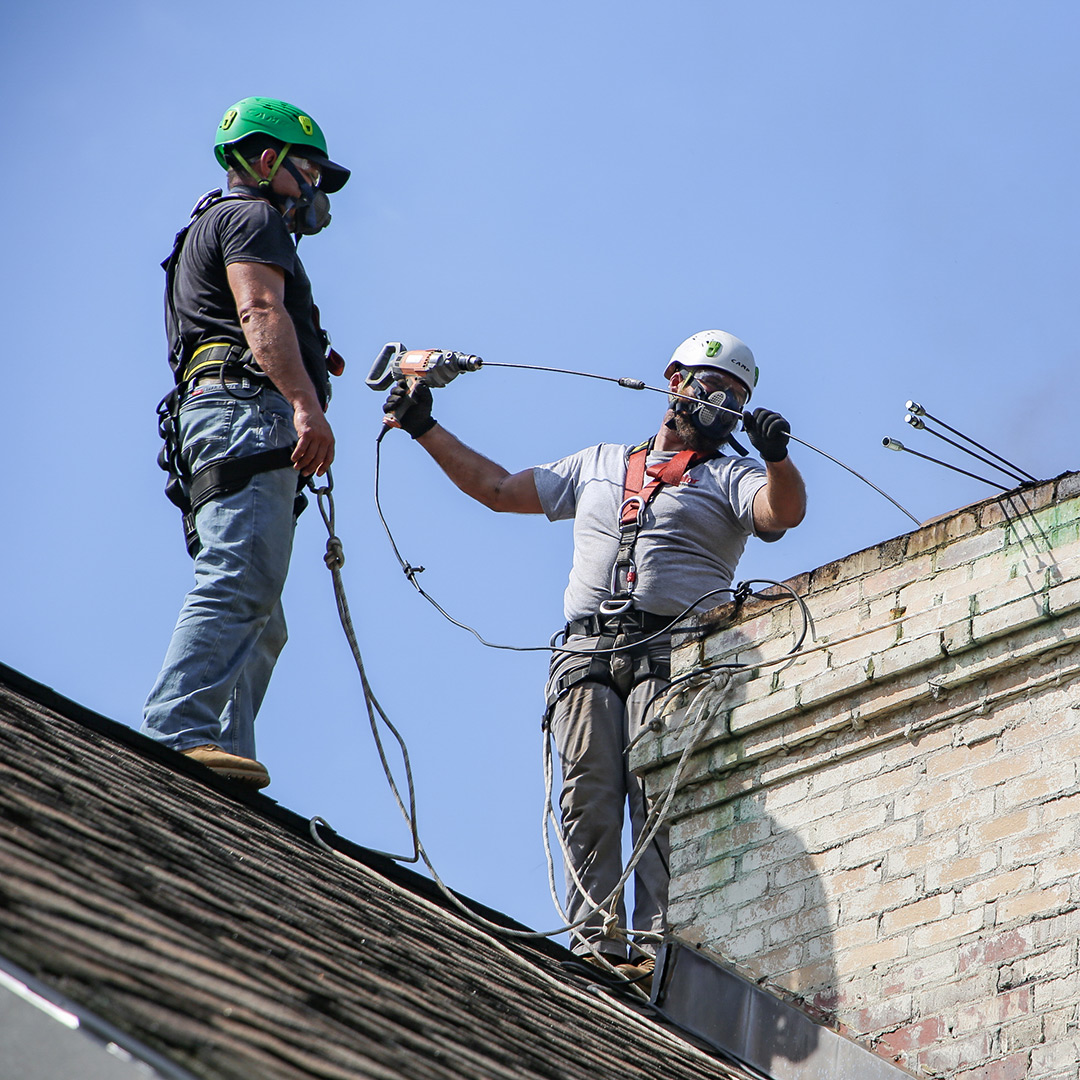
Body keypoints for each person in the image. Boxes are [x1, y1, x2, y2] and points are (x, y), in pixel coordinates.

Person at [382, 329, 806, 982]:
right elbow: (497, 488)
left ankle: (662, 956)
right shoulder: (601, 462)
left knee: (659, 795)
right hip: (588, 651)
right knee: (588, 791)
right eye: (711, 383)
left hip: (673, 655)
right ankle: (599, 945)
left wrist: (778, 458)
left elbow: (782, 513)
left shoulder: (730, 476)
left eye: (734, 395)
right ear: (674, 378)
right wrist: (423, 427)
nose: (719, 400)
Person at [142, 97, 351, 789]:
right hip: (246, 415)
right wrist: (303, 404)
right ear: (266, 161)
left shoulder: (210, 226)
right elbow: (259, 310)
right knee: (241, 577)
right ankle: (178, 731)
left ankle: (223, 758)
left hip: (220, 420)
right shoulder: (251, 217)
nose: (316, 190)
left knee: (265, 618)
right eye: (310, 171)